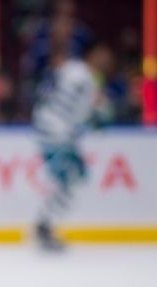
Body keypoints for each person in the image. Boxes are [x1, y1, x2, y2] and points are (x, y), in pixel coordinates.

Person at [31, 38, 112, 250]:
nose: (106, 60)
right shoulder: (85, 76)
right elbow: (81, 109)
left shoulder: (73, 69)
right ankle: (44, 225)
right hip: (57, 132)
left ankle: (44, 223)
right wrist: (98, 113)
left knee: (72, 177)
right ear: (92, 54)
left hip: (53, 128)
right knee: (71, 177)